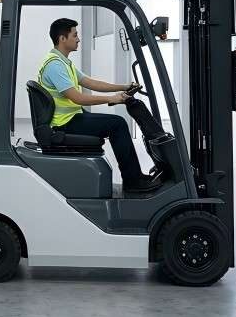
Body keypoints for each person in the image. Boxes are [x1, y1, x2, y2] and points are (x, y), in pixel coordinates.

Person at [37, 17, 155, 192]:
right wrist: (111, 99)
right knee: (117, 124)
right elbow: (77, 98)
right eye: (75, 35)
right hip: (64, 123)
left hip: (70, 118)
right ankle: (133, 181)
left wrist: (123, 87)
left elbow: (91, 83)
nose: (78, 39)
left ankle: (135, 177)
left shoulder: (63, 62)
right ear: (62, 39)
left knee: (115, 123)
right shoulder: (55, 66)